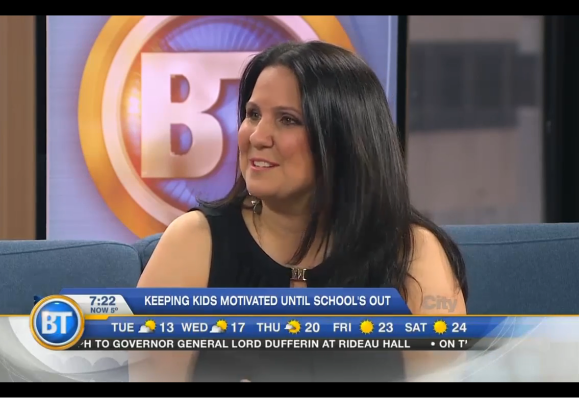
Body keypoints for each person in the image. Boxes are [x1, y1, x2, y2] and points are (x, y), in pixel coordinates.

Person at [131, 41, 468, 382]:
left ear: (345, 140)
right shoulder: (194, 243)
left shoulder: (412, 253)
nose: (257, 136)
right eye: (253, 114)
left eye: (288, 120)